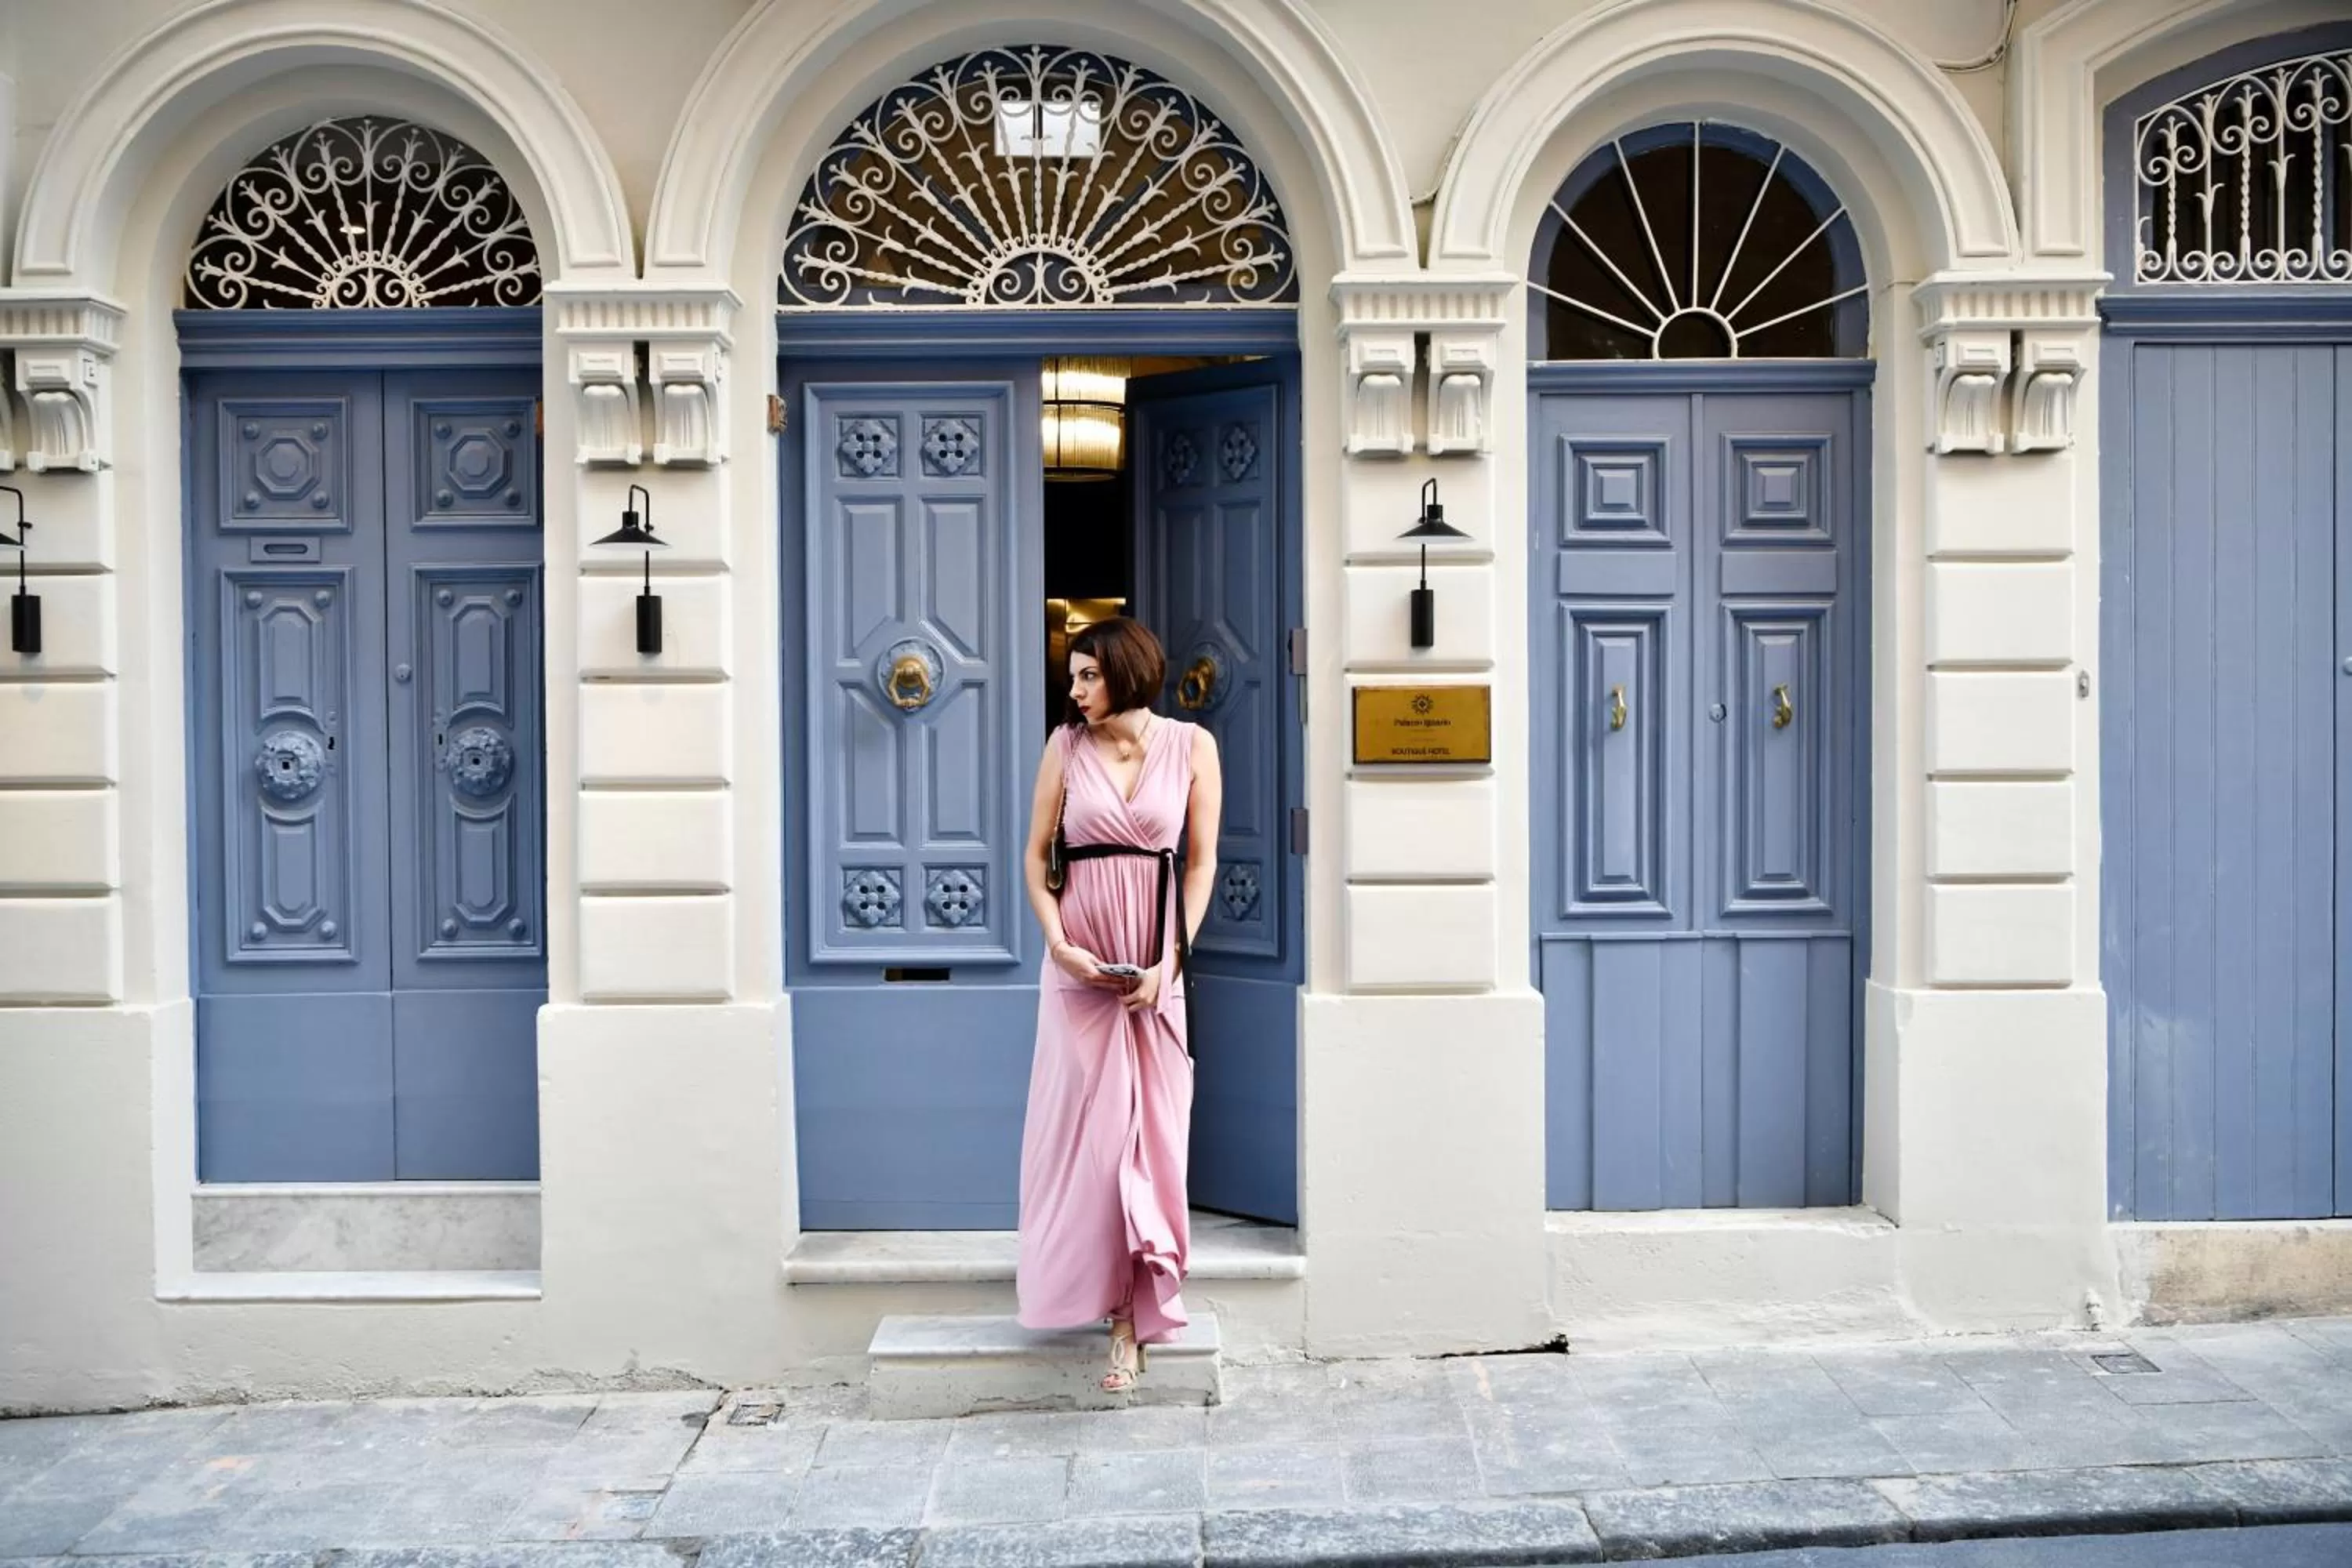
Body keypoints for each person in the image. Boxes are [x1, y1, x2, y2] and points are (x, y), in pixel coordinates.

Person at [1014, 616, 1222, 1392]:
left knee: (1154, 1138)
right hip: (1081, 968)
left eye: (1087, 675)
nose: (1073, 690)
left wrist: (1171, 961)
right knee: (1094, 1142)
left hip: (1156, 968)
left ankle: (1134, 1317)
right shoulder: (1064, 747)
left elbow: (1199, 863)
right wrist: (1059, 943)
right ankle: (1106, 1304)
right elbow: (1035, 855)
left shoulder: (1193, 746)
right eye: (1072, 676)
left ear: (1127, 672)